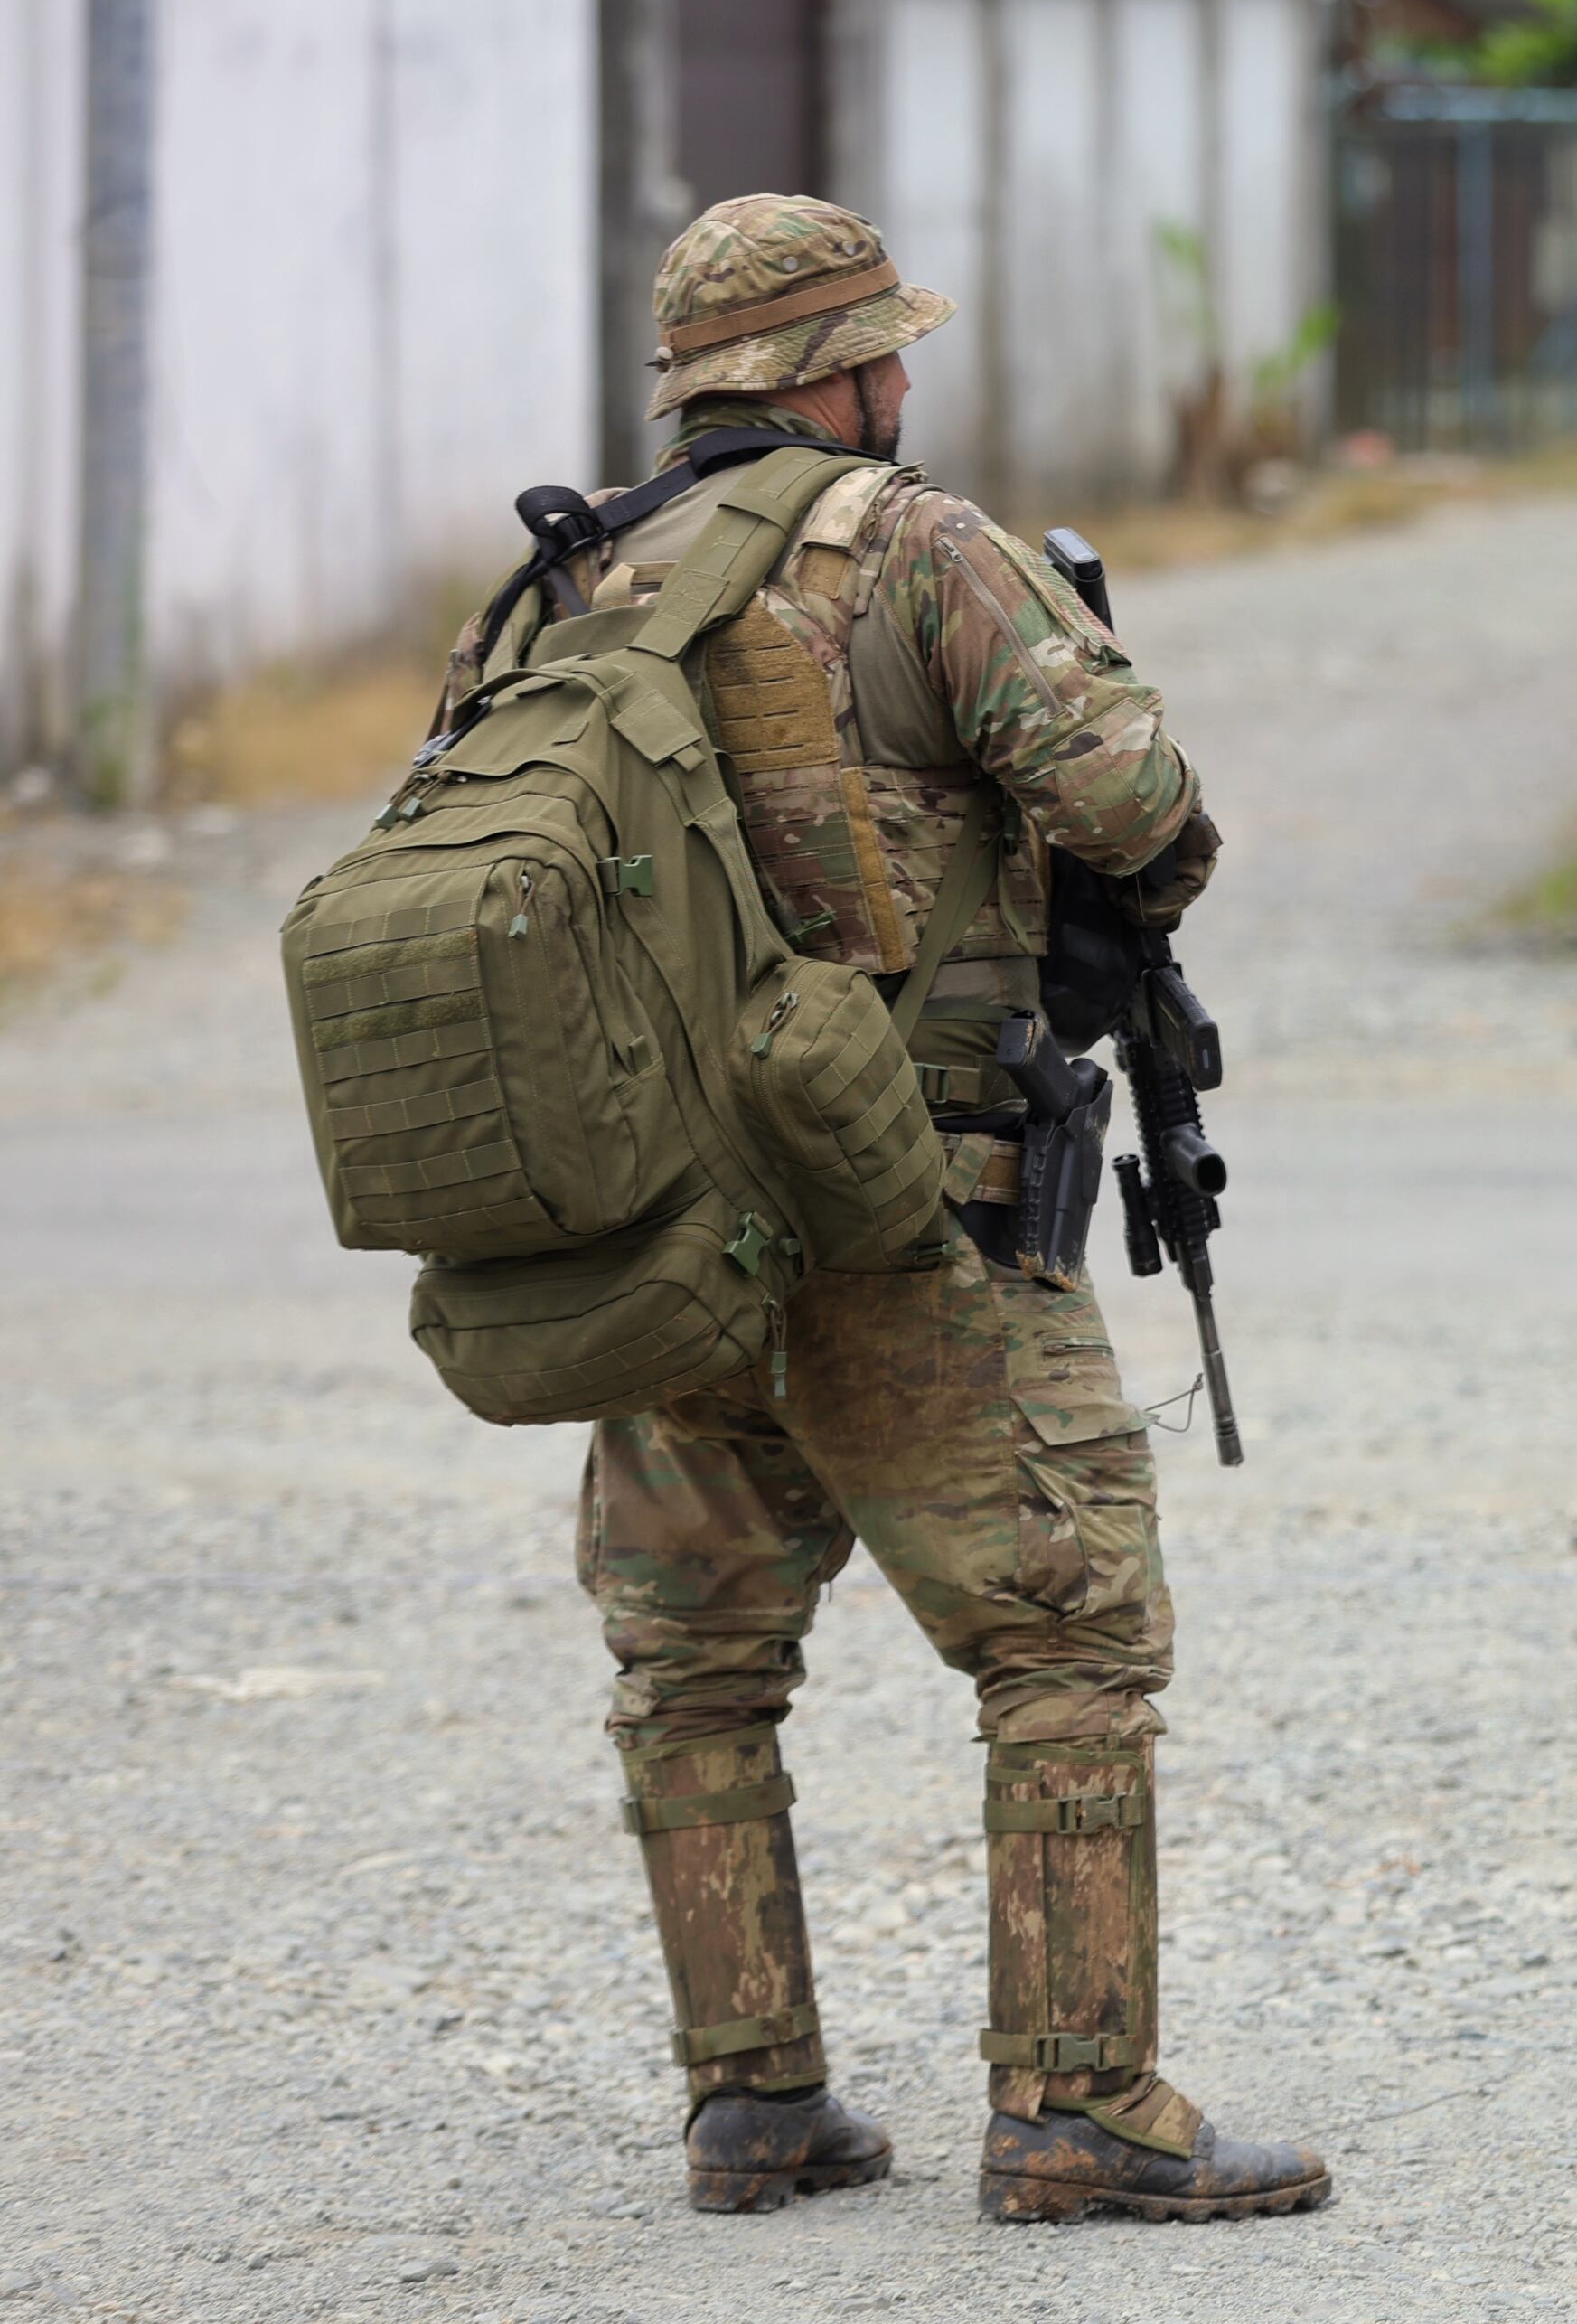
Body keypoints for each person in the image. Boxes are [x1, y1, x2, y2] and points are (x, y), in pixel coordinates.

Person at [432, 193, 1329, 2227]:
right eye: (887, 349)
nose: (906, 380)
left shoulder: (563, 588)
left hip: (660, 1230)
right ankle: (1077, 2105)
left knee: (695, 1662)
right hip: (908, 1211)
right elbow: (1141, 813)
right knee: (1067, 1629)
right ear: (834, 372)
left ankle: (753, 2102)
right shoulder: (919, 546)